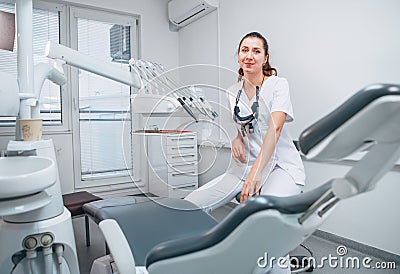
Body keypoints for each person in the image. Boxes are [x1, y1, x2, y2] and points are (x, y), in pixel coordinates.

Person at [185, 31, 305, 215]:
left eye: (256, 51)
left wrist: (256, 172)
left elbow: (276, 128)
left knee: (263, 214)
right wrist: (237, 140)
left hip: (280, 166)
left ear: (265, 58)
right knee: (190, 204)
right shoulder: (232, 92)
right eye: (244, 50)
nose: (249, 56)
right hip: (245, 167)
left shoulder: (278, 85)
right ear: (239, 56)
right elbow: (245, 128)